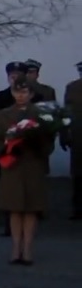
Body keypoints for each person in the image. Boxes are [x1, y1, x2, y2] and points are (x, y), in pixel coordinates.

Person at [0, 77, 54, 266]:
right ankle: (15, 248)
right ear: (12, 93)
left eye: (25, 92)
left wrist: (37, 144)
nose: (20, 95)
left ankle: (27, 249)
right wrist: (5, 148)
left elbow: (49, 141)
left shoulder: (40, 114)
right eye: (17, 92)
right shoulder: (4, 114)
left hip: (32, 166)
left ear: (31, 94)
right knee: (15, 209)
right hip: (12, 167)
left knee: (30, 210)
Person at [65, 60, 82, 220]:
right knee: (77, 176)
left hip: (76, 136)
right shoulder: (72, 88)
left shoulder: (72, 88)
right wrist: (64, 135)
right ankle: (77, 209)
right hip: (77, 137)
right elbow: (66, 113)